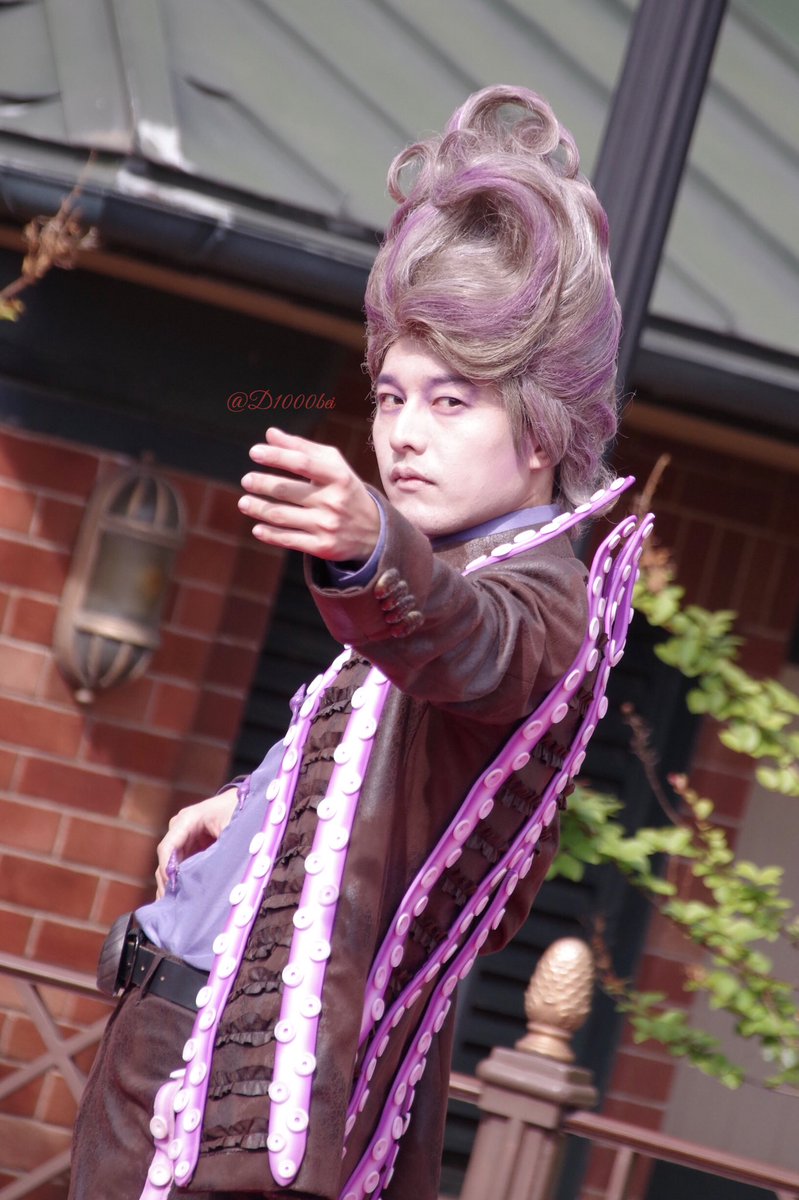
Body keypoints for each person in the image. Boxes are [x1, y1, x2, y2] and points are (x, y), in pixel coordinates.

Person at [68, 84, 621, 1200]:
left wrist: (372, 547)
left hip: (234, 1094)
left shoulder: (537, 597)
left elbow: (464, 647)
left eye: (451, 402)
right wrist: (255, 804)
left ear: (541, 433)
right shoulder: (461, 568)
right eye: (391, 397)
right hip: (173, 1050)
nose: (403, 434)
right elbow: (394, 752)